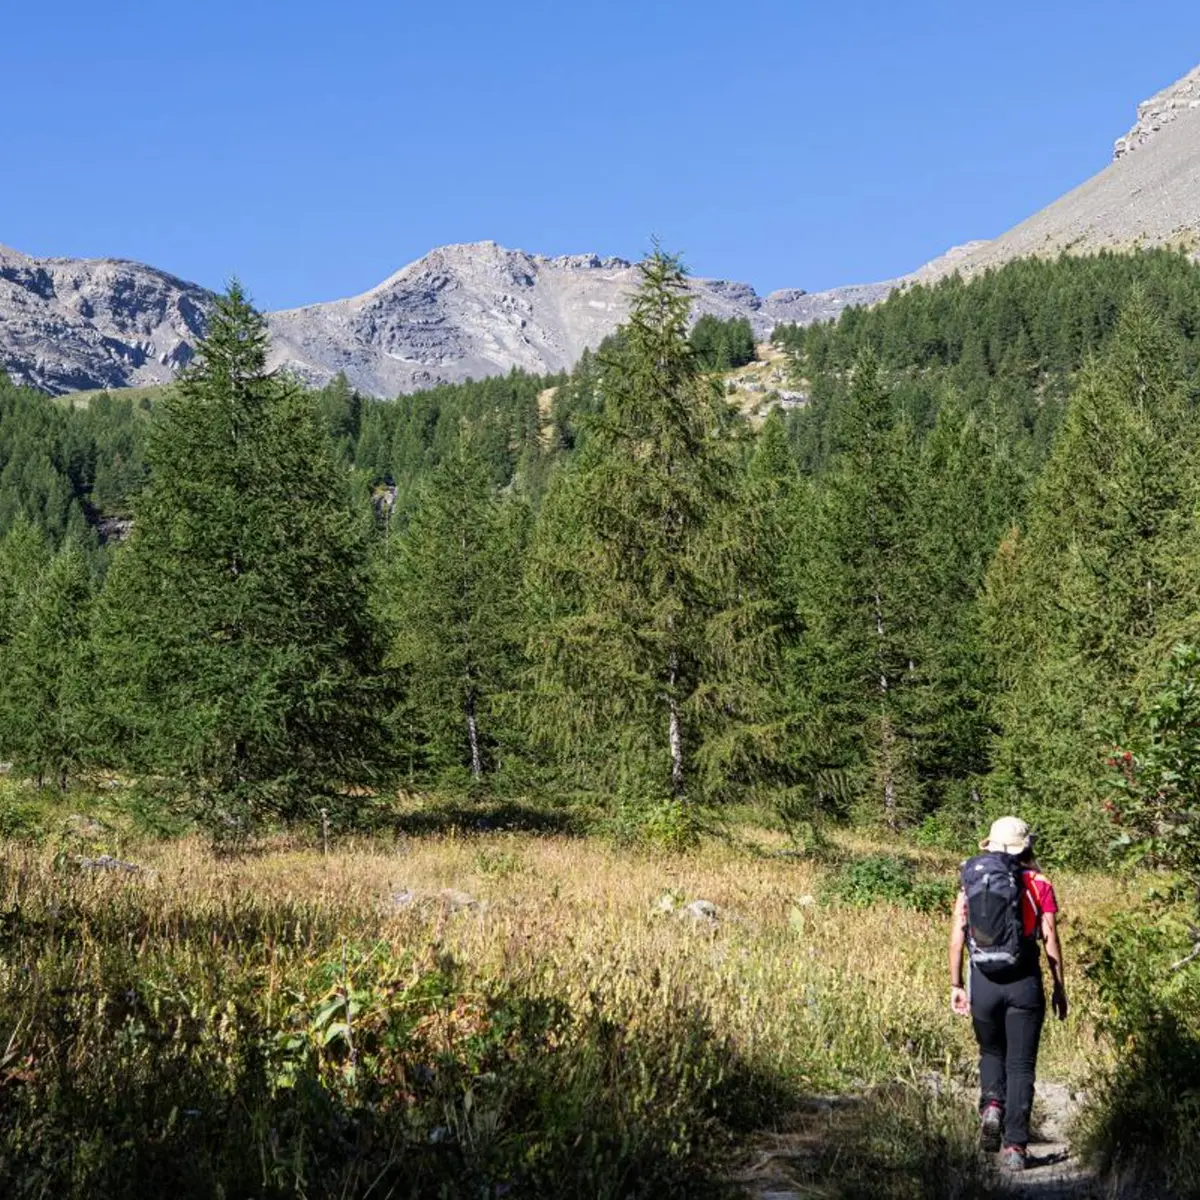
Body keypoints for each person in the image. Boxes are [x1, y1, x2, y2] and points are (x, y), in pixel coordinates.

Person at [948, 816, 1068, 1172]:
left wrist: (956, 984)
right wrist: (1060, 986)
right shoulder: (1040, 883)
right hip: (1025, 982)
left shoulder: (972, 879)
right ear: (1026, 846)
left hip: (982, 980)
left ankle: (991, 1107)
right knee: (1020, 1065)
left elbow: (957, 935)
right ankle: (1015, 1147)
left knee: (990, 1051)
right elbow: (1051, 940)